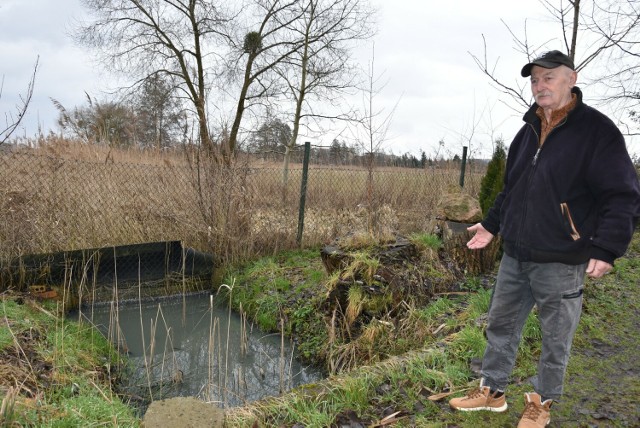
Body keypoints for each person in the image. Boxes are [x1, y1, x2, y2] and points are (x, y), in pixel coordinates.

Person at [448, 50, 640, 427]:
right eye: (535, 79)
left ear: (572, 78)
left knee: (555, 337)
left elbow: (622, 195)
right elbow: (511, 190)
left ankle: (542, 402)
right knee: (501, 325)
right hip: (517, 255)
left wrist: (606, 247)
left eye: (548, 77)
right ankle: (493, 392)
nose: (540, 85)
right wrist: (491, 225)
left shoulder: (598, 132)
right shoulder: (527, 131)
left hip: (563, 258)